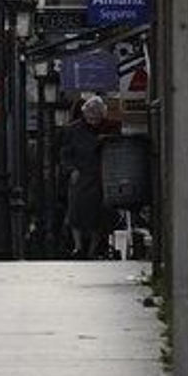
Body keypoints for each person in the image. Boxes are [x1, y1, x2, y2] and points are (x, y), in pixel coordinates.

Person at [57, 95, 111, 258]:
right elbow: (65, 153)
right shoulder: (72, 130)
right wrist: (71, 169)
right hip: (79, 175)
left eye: (97, 115)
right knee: (76, 212)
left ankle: (93, 249)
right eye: (91, 114)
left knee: (97, 214)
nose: (94, 118)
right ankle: (78, 246)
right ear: (85, 113)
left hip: (98, 176)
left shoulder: (106, 129)